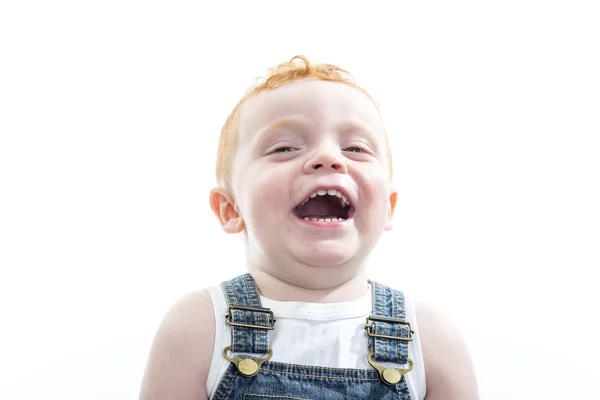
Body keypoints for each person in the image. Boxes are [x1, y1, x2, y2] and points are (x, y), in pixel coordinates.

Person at [139, 55, 479, 399]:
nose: (328, 157)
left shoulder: (431, 340)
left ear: (388, 208)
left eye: (355, 148)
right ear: (230, 208)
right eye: (284, 147)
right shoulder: (200, 329)